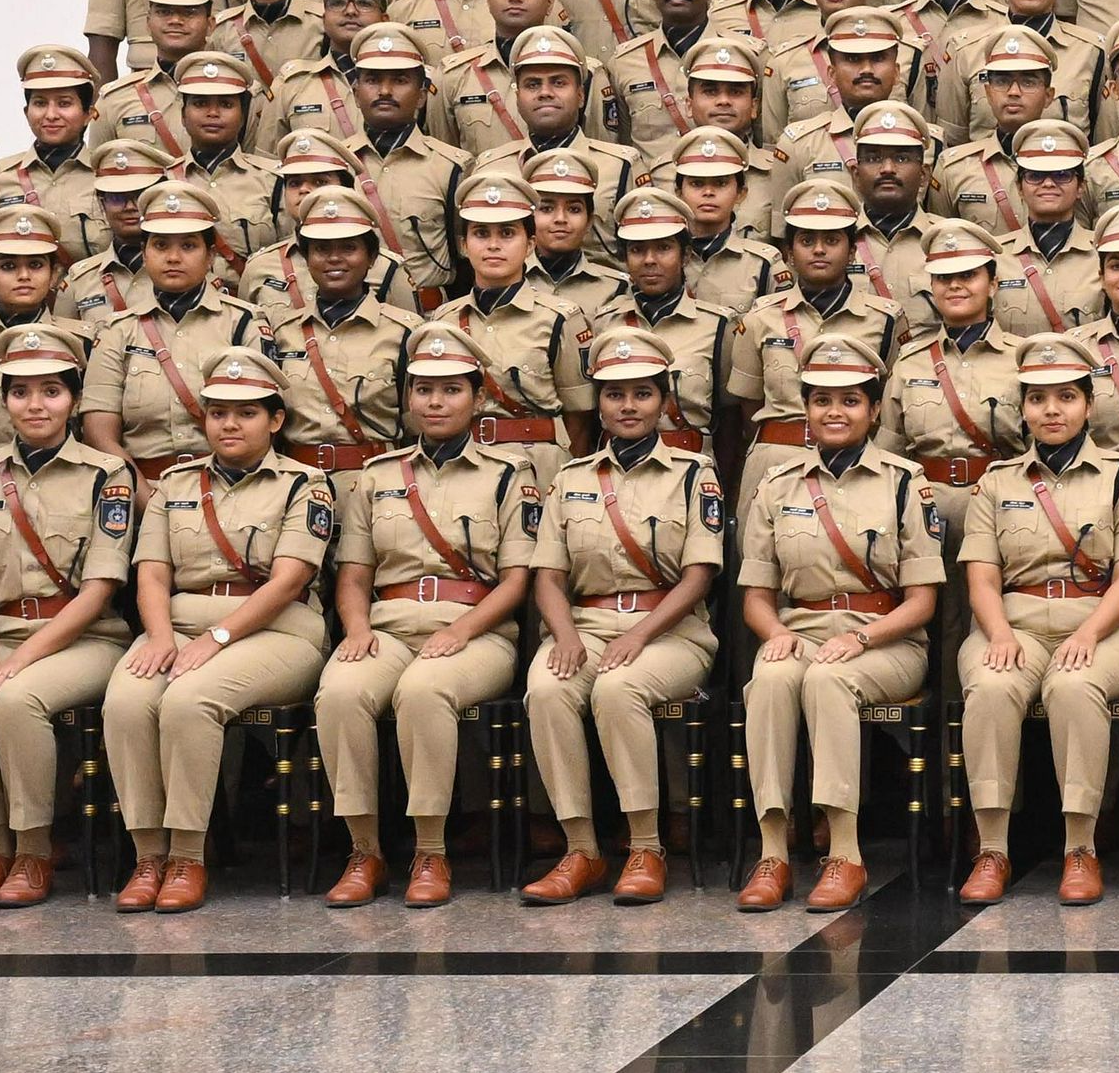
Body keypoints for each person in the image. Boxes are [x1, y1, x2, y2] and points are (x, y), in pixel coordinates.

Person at [313, 328, 541, 908]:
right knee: (340, 692)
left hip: (476, 630)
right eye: (423, 390)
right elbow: (354, 574)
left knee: (422, 691)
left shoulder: (508, 473)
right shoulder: (378, 474)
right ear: (407, 398)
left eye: (451, 389)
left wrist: (460, 630)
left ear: (478, 398)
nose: (436, 402)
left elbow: (517, 580)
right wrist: (357, 628)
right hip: (388, 626)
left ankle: (430, 851)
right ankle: (364, 851)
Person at [108, 350, 335, 914]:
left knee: (190, 699)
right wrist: (160, 636)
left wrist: (218, 639)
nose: (229, 424)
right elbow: (152, 572)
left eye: (246, 413)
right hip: (181, 627)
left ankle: (189, 855)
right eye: (218, 413)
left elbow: (288, 581)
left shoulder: (304, 484)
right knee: (127, 700)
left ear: (275, 420)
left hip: (279, 631)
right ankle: (148, 855)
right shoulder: (174, 484)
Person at [0, 326, 137, 908]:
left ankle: (34, 852)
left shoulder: (106, 474)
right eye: (20, 392)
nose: (35, 405)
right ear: (5, 400)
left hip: (86, 639)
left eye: (51, 391)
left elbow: (98, 590)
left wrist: (17, 660)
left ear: (75, 398)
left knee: (18, 698)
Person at [524, 325, 732, 906]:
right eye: (615, 394)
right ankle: (581, 849)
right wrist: (564, 636)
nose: (628, 406)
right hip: (586, 628)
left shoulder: (694, 474)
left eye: (643, 393)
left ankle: (645, 846)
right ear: (599, 403)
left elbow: (699, 576)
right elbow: (548, 576)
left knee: (619, 688)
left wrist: (639, 635)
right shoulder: (570, 478)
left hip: (671, 634)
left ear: (664, 401)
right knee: (547, 688)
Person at [956, 336, 1119, 906]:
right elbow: (982, 579)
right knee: (991, 686)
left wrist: (1089, 633)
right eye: (1038, 398)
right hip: (1014, 625)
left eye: (1067, 397)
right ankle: (992, 849)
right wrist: (999, 634)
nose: (1052, 410)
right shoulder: (996, 481)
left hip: (1107, 627)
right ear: (1022, 408)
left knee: (1075, 685)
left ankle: (1080, 847)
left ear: (1089, 405)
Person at [737, 333, 941, 912]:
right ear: (805, 409)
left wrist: (860, 637)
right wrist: (777, 635)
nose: (835, 412)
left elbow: (921, 602)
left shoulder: (904, 482)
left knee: (829, 680)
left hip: (886, 641)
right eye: (822, 400)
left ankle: (845, 854)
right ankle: (773, 851)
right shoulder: (777, 486)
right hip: (800, 634)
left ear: (874, 411)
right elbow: (756, 596)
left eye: (851, 400)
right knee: (769, 680)